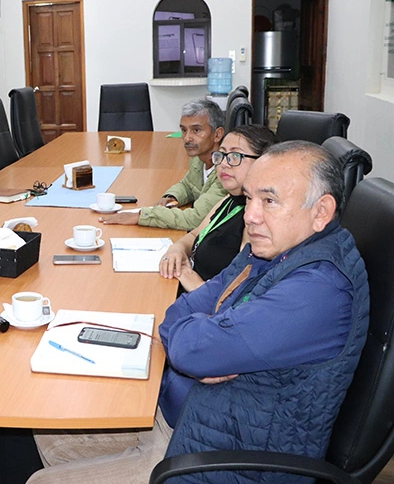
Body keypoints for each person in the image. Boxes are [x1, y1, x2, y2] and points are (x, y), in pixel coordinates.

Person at [29, 141, 370, 484]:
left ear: (321, 212)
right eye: (249, 198)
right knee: (49, 429)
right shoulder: (268, 251)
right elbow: (179, 313)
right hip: (192, 420)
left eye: (269, 201)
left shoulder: (318, 290)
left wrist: (204, 342)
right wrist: (206, 336)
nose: (250, 215)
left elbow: (193, 349)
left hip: (232, 461)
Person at [159, 125, 278, 293]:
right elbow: (194, 235)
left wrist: (192, 280)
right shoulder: (230, 198)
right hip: (183, 287)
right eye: (221, 155)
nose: (223, 164)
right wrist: (176, 249)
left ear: (263, 162)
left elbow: (236, 296)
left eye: (235, 156)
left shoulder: (256, 220)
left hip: (203, 307)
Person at [101, 99, 227, 231]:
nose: (187, 138)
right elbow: (188, 185)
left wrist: (142, 216)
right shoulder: (199, 158)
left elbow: (196, 219)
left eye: (196, 130)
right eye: (184, 130)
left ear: (217, 134)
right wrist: (171, 197)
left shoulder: (226, 171)